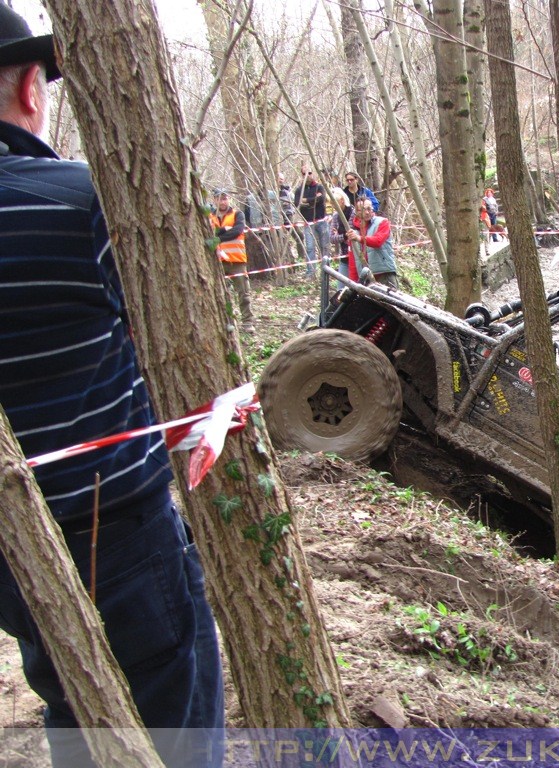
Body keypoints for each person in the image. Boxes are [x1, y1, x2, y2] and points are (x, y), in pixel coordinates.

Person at [0, 7, 223, 767]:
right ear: (32, 87)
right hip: (111, 528)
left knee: (76, 697)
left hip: (10, 543)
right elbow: (172, 338)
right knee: (171, 717)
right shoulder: (75, 200)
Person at [209, 189, 255, 334]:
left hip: (237, 260)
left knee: (243, 293)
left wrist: (219, 236)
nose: (223, 201)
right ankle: (227, 322)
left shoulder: (237, 214)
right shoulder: (210, 216)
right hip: (218, 261)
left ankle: (247, 322)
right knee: (222, 293)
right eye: (219, 199)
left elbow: (237, 231)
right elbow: (208, 232)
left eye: (225, 198)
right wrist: (224, 230)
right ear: (214, 200)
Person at [348, 197, 398, 288]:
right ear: (357, 212)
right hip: (365, 277)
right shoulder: (354, 232)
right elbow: (353, 261)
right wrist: (353, 283)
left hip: (384, 274)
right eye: (363, 210)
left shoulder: (383, 222)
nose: (367, 212)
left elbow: (378, 241)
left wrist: (359, 238)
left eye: (369, 209)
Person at [294, 165, 329, 278]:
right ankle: (311, 272)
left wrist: (307, 201)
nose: (307, 176)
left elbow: (321, 199)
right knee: (310, 248)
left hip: (321, 221)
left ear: (312, 173)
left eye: (309, 173)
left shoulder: (319, 187)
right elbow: (297, 203)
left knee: (324, 246)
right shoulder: (300, 190)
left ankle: (327, 271)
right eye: (304, 174)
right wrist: (312, 200)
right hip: (308, 223)